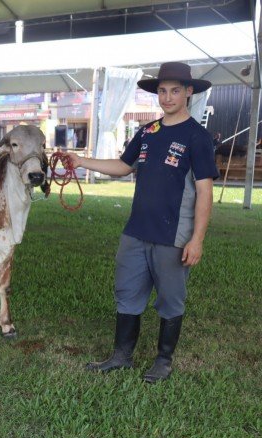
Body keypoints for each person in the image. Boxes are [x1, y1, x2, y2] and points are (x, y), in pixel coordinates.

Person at [62, 62, 219, 383]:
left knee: (170, 298)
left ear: (189, 92)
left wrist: (197, 239)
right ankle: (122, 355)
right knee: (127, 291)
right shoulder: (148, 131)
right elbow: (122, 165)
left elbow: (205, 192)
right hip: (136, 231)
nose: (167, 97)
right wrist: (81, 161)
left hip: (173, 234)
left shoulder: (197, 137)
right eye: (162, 91)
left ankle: (163, 360)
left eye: (175, 90)